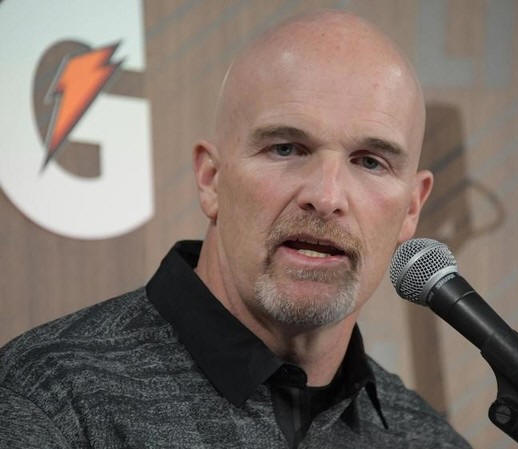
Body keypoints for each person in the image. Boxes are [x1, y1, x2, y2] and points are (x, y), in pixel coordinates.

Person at [0, 10, 471, 449]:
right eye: (287, 149)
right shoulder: (48, 403)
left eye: (370, 162)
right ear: (212, 180)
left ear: (411, 208)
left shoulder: (430, 441)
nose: (327, 197)